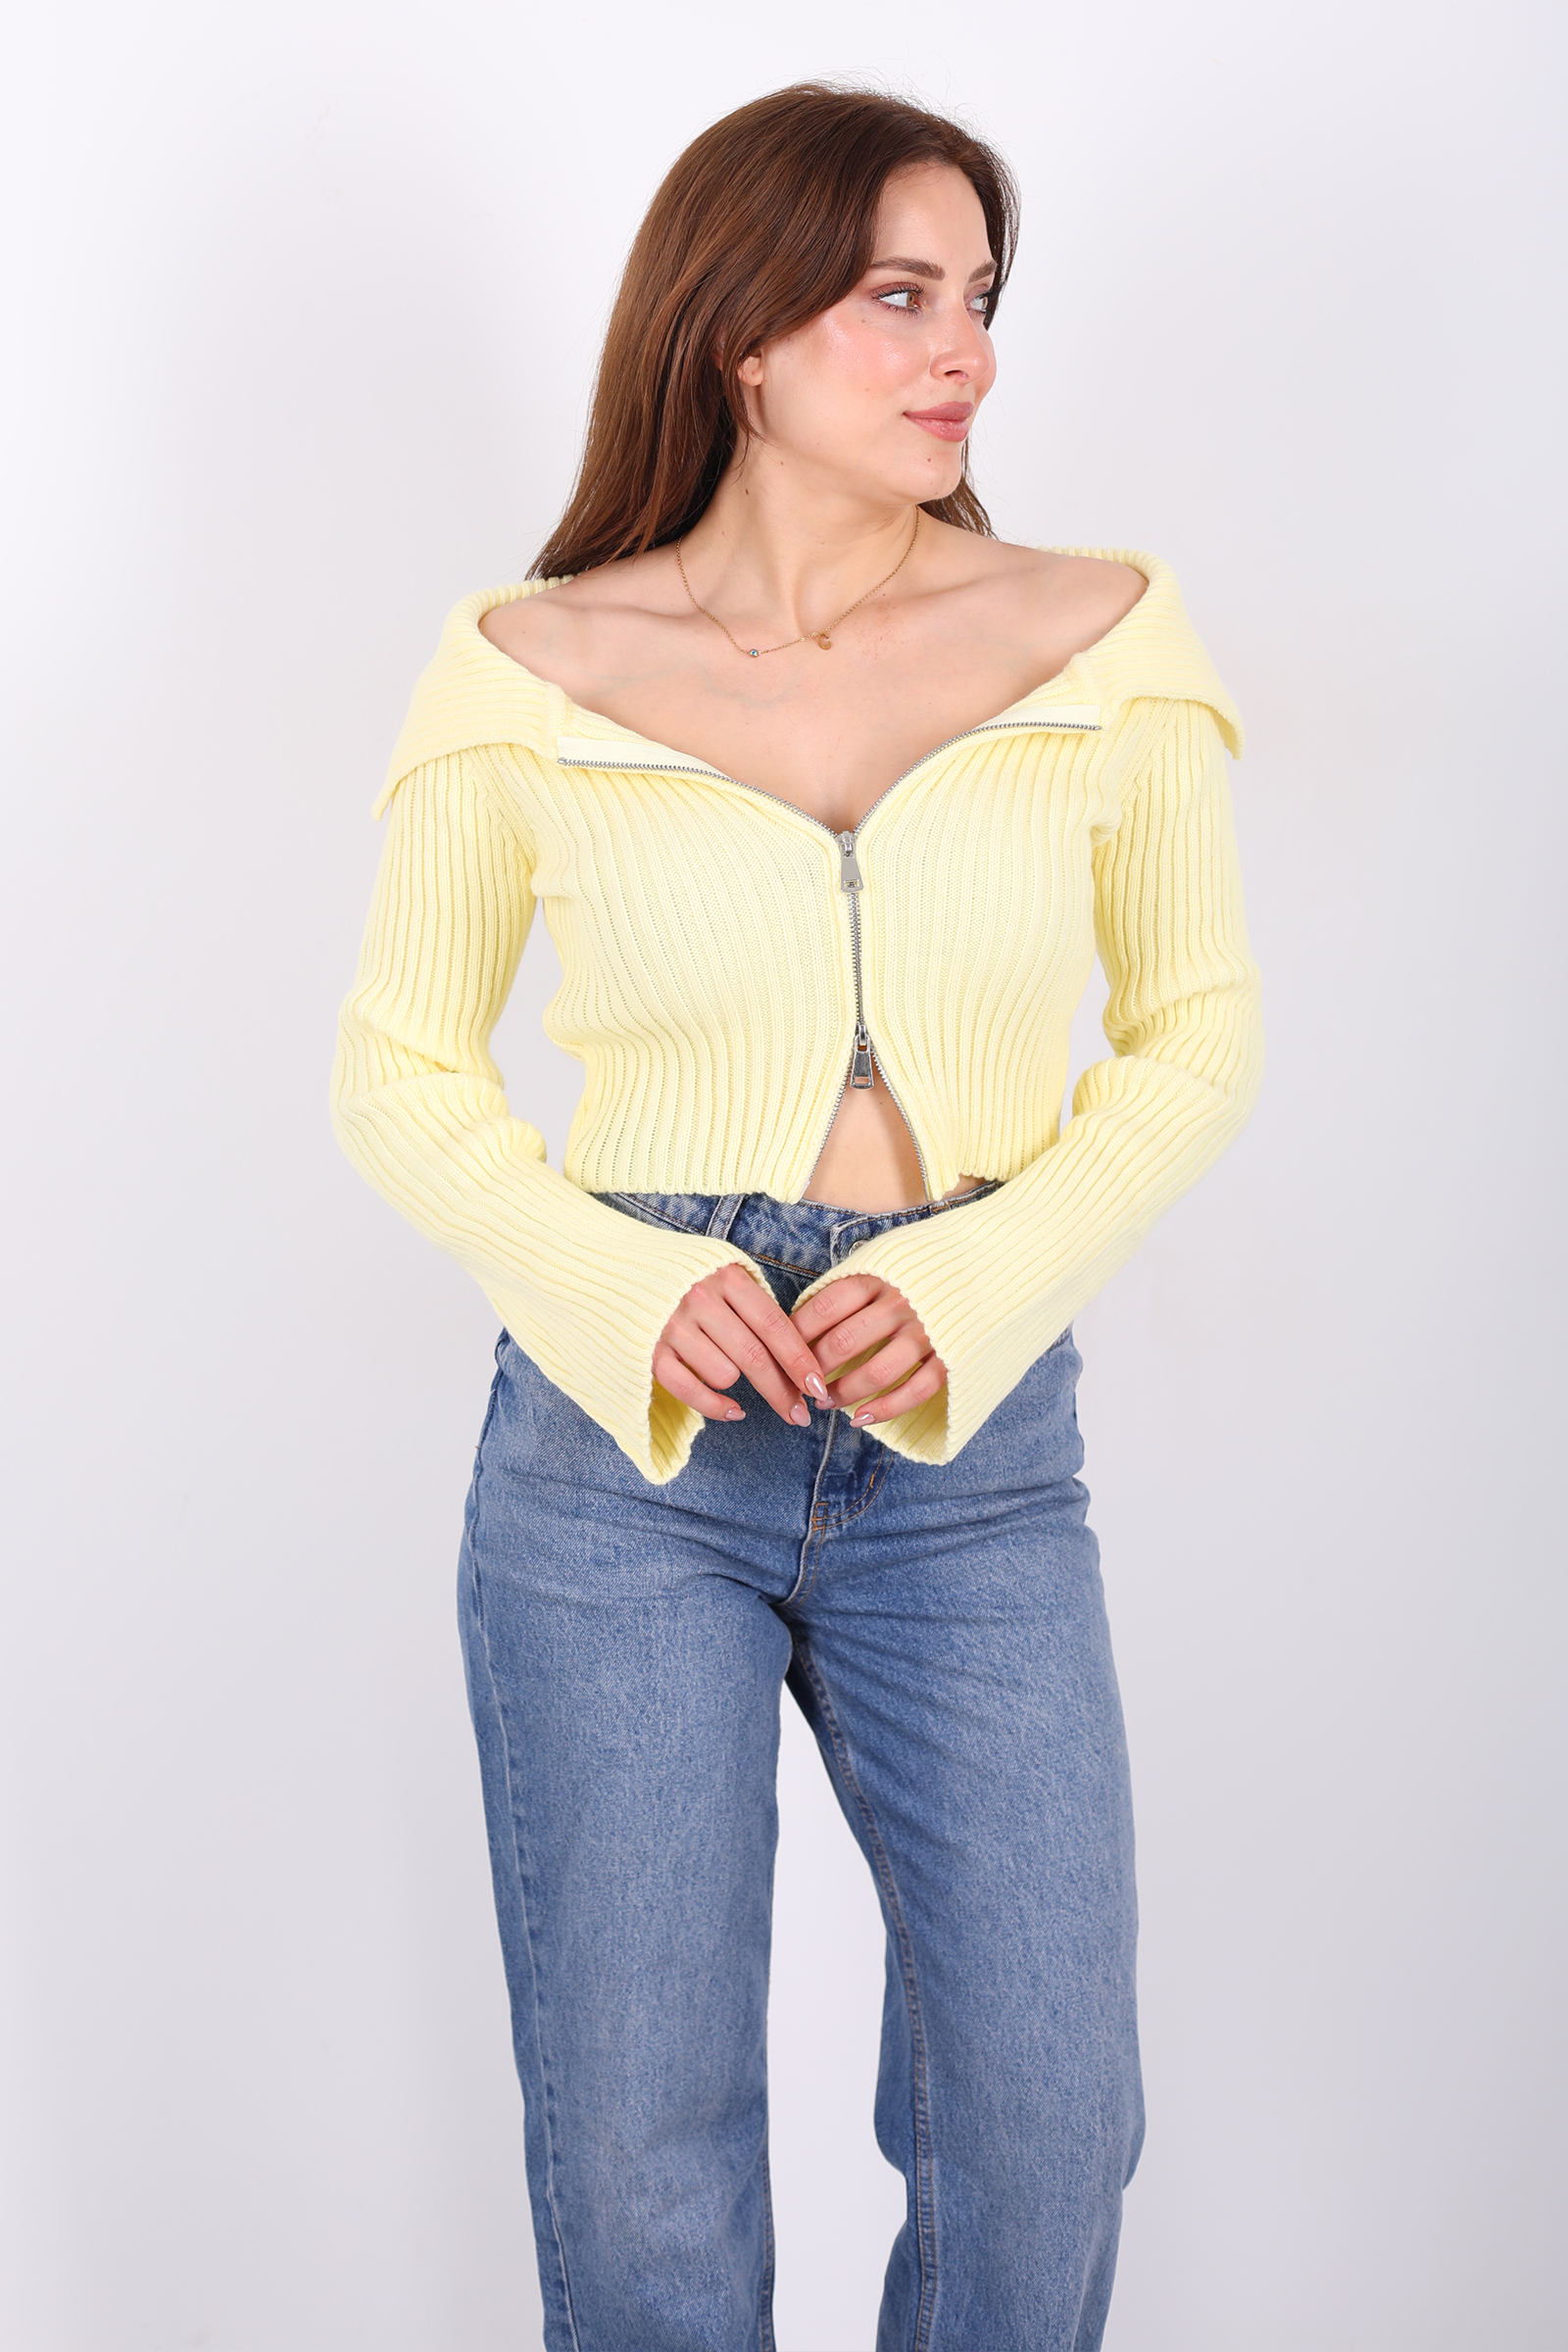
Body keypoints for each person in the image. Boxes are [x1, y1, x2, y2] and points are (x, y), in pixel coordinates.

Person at [329, 77, 1263, 2352]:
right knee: (641, 2156)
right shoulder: (531, 668)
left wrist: (978, 1272)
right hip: (619, 1464)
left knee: (1044, 2117)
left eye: (979, 299)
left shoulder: (1099, 639)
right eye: (897, 299)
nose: (964, 354)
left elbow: (1196, 1035)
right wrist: (621, 1284)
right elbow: (398, 1068)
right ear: (742, 334)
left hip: (972, 1458)